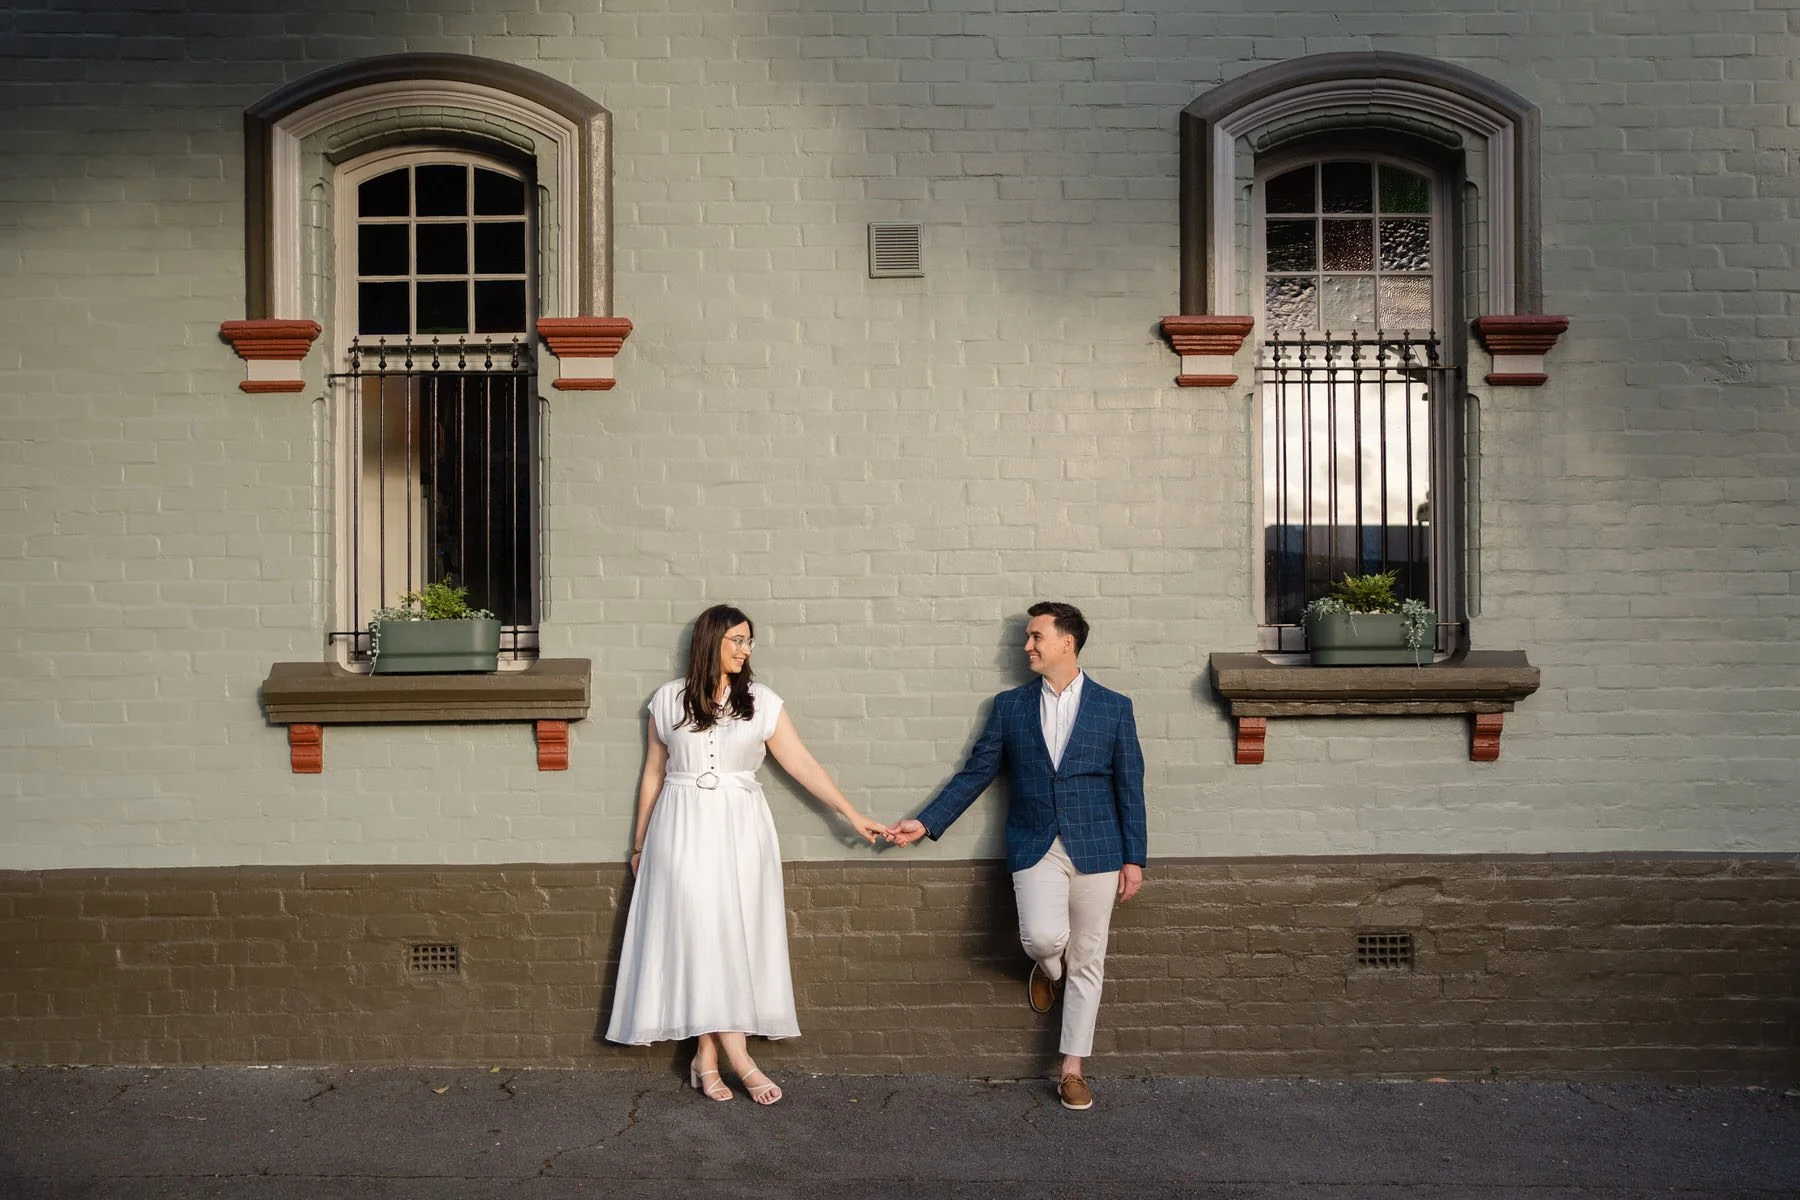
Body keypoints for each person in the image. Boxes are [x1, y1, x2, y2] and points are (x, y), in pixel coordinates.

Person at [605, 604, 888, 1104]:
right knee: (698, 933)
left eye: (750, 641)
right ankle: (741, 1059)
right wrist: (640, 842)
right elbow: (653, 770)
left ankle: (707, 1058)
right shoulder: (668, 699)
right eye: (736, 639)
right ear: (710, 639)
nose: (745, 649)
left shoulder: (762, 701)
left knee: (732, 934)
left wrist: (849, 812)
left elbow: (801, 762)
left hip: (740, 826)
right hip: (679, 824)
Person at [886, 602, 1146, 1112]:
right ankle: (1049, 971)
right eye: (1028, 637)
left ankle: (1071, 1069)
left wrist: (1135, 857)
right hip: (1034, 843)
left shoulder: (1114, 707)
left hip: (1099, 846)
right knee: (1044, 938)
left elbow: (1130, 785)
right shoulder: (1010, 707)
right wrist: (927, 821)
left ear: (1066, 642)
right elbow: (976, 773)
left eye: (1036, 637)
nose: (1027, 646)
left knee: (1090, 961)